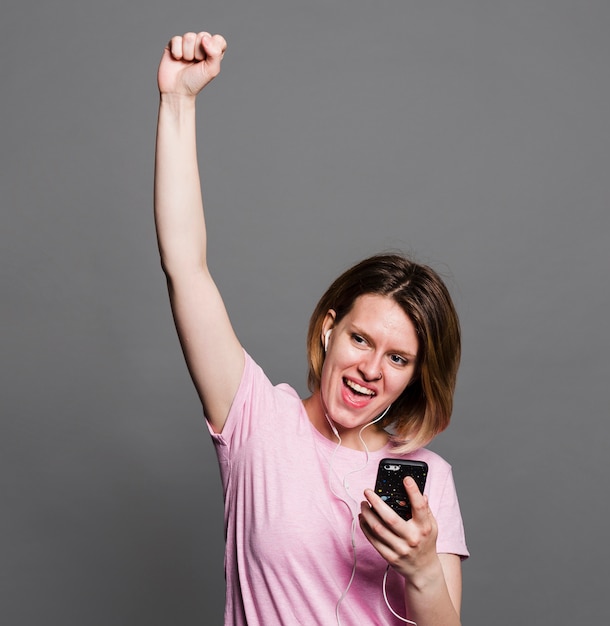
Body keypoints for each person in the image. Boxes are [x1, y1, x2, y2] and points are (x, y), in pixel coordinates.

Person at [155, 31, 469, 626]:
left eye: (398, 359)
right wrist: (177, 103)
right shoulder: (254, 421)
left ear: (413, 377)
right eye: (360, 339)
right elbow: (185, 267)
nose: (372, 369)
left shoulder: (431, 483)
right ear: (329, 329)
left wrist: (423, 568)